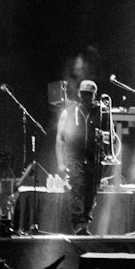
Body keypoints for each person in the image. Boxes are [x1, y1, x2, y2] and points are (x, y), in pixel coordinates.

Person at [56, 80, 100, 235]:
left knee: (91, 193)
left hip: (94, 158)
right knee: (78, 188)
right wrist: (60, 163)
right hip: (74, 157)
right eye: (84, 94)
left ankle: (85, 222)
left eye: (90, 94)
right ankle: (78, 224)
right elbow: (60, 138)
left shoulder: (101, 113)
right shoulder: (68, 112)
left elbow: (112, 136)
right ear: (79, 94)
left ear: (94, 95)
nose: (87, 97)